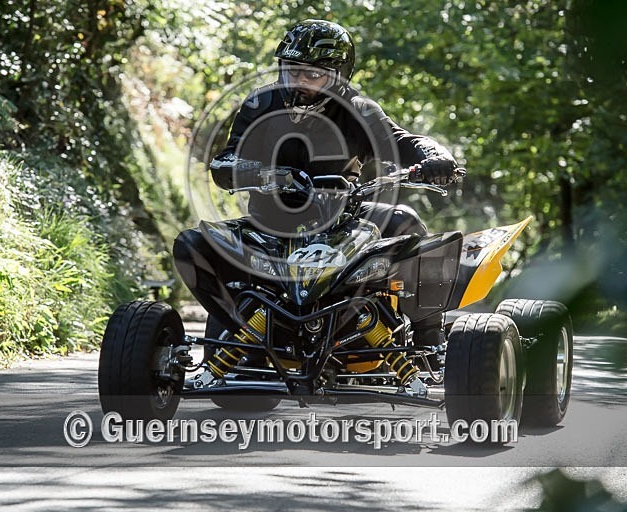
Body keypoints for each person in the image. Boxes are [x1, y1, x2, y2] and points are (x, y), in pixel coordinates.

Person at [174, 19, 458, 383]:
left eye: (312, 74)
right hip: (270, 227)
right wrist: (270, 176)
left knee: (408, 223)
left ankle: (428, 340)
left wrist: (436, 155)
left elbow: (402, 141)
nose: (299, 81)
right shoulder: (260, 103)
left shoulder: (359, 109)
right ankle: (242, 329)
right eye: (291, 70)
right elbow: (224, 163)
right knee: (192, 243)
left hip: (346, 221)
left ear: (339, 75)